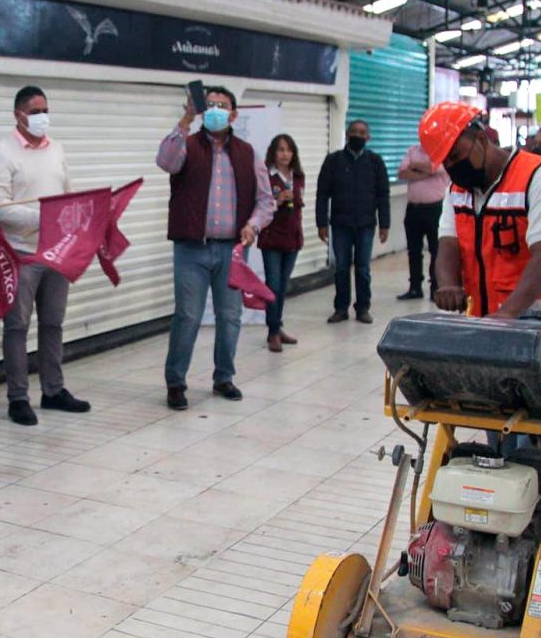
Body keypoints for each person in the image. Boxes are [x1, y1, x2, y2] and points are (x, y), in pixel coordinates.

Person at [423, 102, 541, 452]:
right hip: (490, 327)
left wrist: (510, 312)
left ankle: (537, 504)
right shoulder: (459, 191)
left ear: (480, 137)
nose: (454, 168)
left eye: (456, 155)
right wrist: (448, 284)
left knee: (538, 437)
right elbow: (448, 244)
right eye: (446, 162)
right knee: (495, 428)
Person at [157, 86, 275, 409]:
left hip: (232, 251)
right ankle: (176, 382)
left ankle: (224, 377)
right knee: (188, 315)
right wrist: (186, 119)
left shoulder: (248, 153)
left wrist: (253, 224)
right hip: (191, 248)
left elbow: (266, 201)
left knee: (229, 315)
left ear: (234, 114)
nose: (215, 110)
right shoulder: (187, 145)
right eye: (209, 105)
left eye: (222, 105)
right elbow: (164, 162)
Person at [0, 85, 89, 426]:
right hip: (21, 253)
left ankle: (53, 390)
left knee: (53, 323)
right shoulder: (2, 152)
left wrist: (73, 224)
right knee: (17, 326)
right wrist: (46, 220)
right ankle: (17, 398)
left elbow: (67, 194)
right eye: (35, 111)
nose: (43, 117)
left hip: (57, 253)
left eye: (46, 110)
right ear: (18, 115)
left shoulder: (56, 149)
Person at [315, 120, 390, 324]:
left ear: (368, 137)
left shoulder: (375, 162)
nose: (358, 135)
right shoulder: (333, 161)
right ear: (347, 134)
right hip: (340, 224)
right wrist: (321, 223)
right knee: (341, 268)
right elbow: (322, 194)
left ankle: (363, 308)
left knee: (363, 268)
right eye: (354, 132)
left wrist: (385, 224)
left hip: (366, 224)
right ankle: (341, 308)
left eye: (362, 132)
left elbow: (383, 195)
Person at [258, 134, 304, 353]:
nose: (285, 154)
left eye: (288, 150)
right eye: (280, 150)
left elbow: (299, 207)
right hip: (271, 238)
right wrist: (278, 201)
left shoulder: (298, 176)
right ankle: (273, 332)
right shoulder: (266, 176)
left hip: (292, 237)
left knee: (283, 286)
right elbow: (261, 207)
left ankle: (278, 325)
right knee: (273, 286)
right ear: (273, 153)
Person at [396, 141, 448, 301]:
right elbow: (402, 173)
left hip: (435, 209)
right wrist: (428, 170)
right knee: (413, 251)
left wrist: (416, 166)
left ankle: (435, 288)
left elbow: (438, 168)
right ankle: (415, 288)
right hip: (413, 209)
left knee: (436, 250)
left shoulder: (443, 151)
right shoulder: (412, 149)